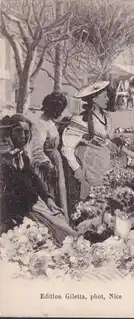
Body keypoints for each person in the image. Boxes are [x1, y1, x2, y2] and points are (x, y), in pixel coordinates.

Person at [0, 114, 77, 246]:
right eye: (18, 131)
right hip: (15, 211)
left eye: (26, 132)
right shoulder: (4, 159)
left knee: (60, 220)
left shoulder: (23, 157)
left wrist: (48, 199)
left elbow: (34, 179)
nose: (23, 136)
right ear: (9, 133)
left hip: (31, 203)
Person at [60, 81, 117, 216]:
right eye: (104, 96)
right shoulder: (81, 120)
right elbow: (67, 148)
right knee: (93, 202)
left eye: (108, 96)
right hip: (90, 166)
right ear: (94, 99)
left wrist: (109, 143)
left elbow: (102, 137)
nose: (108, 99)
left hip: (103, 163)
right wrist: (77, 169)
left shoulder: (106, 117)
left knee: (108, 199)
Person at [31, 92, 69, 216]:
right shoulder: (39, 124)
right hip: (46, 166)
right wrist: (50, 166)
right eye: (58, 110)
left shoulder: (50, 122)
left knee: (59, 193)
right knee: (50, 193)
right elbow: (36, 150)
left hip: (55, 160)